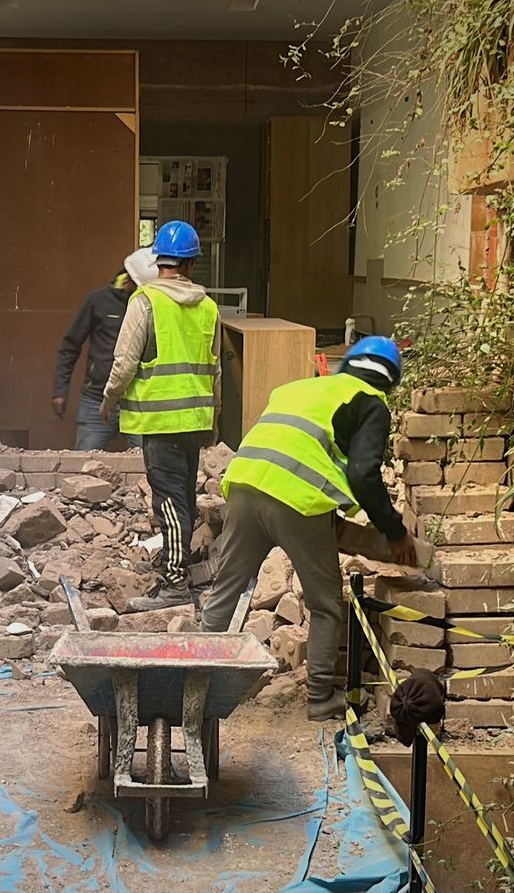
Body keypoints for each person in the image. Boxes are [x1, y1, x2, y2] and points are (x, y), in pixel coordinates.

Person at [197, 336, 421, 721]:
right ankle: (320, 697)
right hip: (298, 499)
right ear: (389, 380)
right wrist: (396, 532)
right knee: (325, 604)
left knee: (228, 591)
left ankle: (196, 682)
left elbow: (298, 449)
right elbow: (364, 475)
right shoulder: (371, 402)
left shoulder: (300, 388)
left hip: (246, 484)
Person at [101, 221, 220, 612]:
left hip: (159, 422)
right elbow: (214, 370)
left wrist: (109, 401)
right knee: (182, 498)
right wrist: (213, 420)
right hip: (195, 421)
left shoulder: (145, 302)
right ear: (191, 264)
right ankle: (179, 568)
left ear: (159, 261)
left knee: (168, 503)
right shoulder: (208, 308)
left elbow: (124, 362)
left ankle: (174, 585)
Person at [53, 247, 156, 450]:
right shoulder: (98, 301)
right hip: (96, 399)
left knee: (149, 467)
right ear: (128, 281)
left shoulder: (151, 306)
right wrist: (60, 390)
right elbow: (70, 346)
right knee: (84, 469)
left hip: (140, 402)